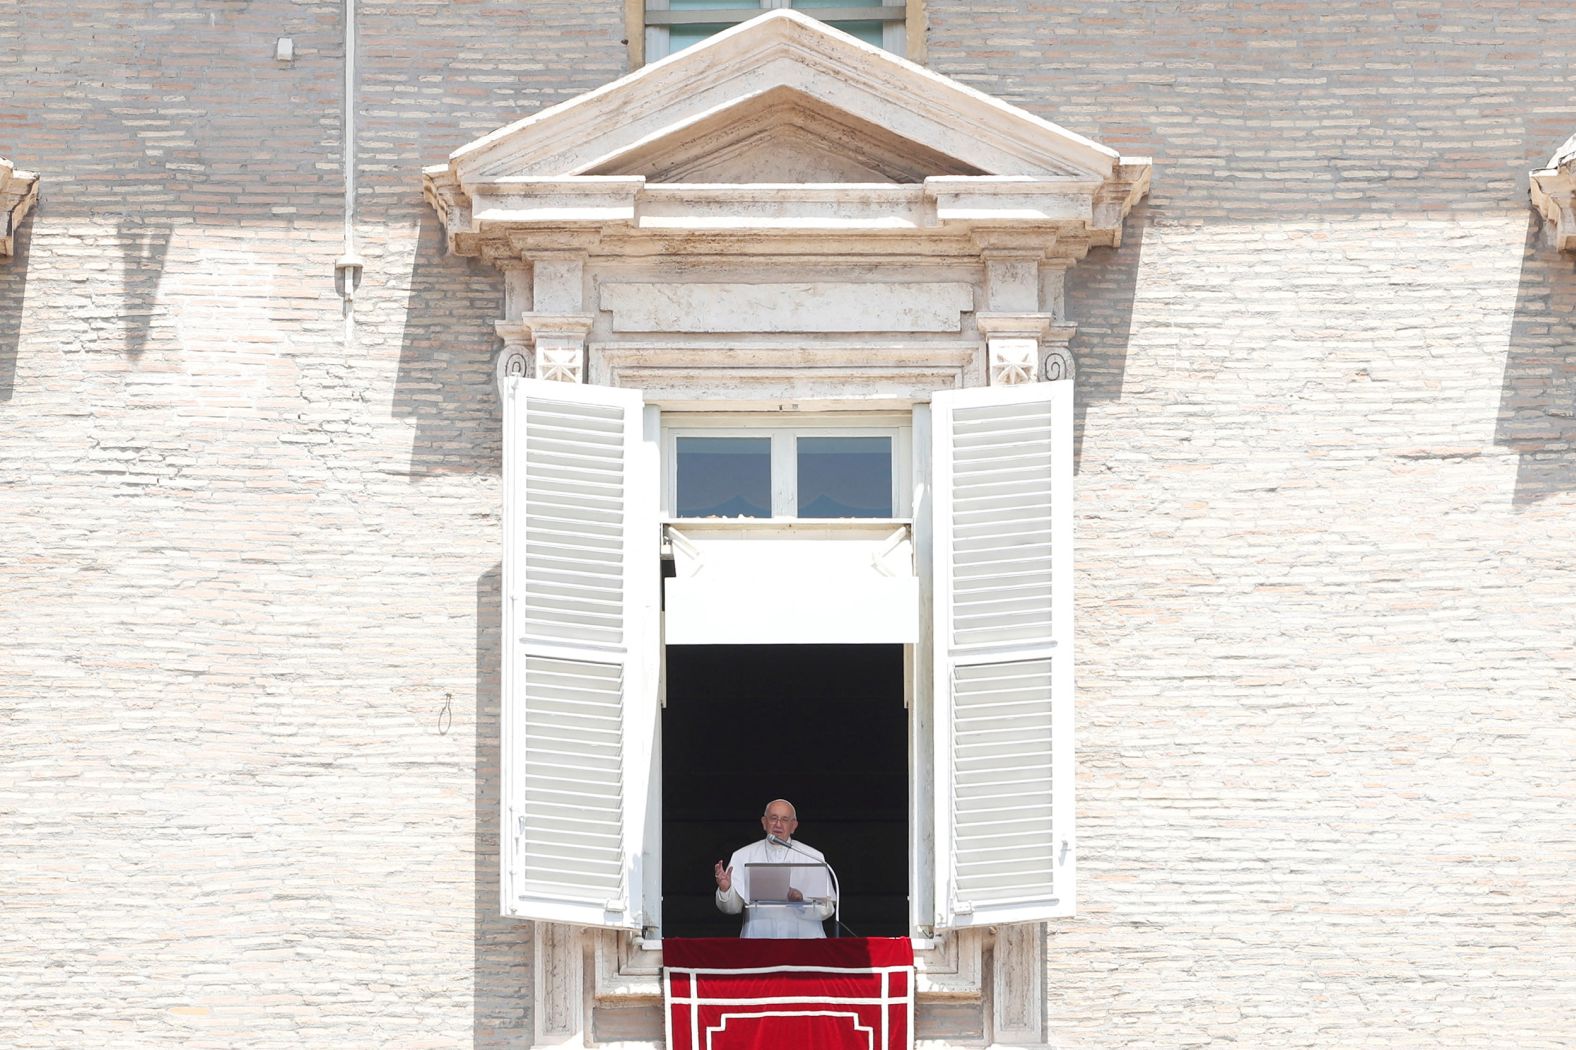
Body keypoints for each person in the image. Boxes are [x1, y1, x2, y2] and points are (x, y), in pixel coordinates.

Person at [713, 799, 835, 939]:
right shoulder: (743, 855)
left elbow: (827, 909)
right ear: (764, 822)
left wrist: (801, 902)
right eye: (773, 818)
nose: (778, 824)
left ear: (794, 826)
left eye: (784, 819)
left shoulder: (813, 856)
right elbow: (731, 908)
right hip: (759, 941)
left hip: (804, 943)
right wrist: (726, 889)